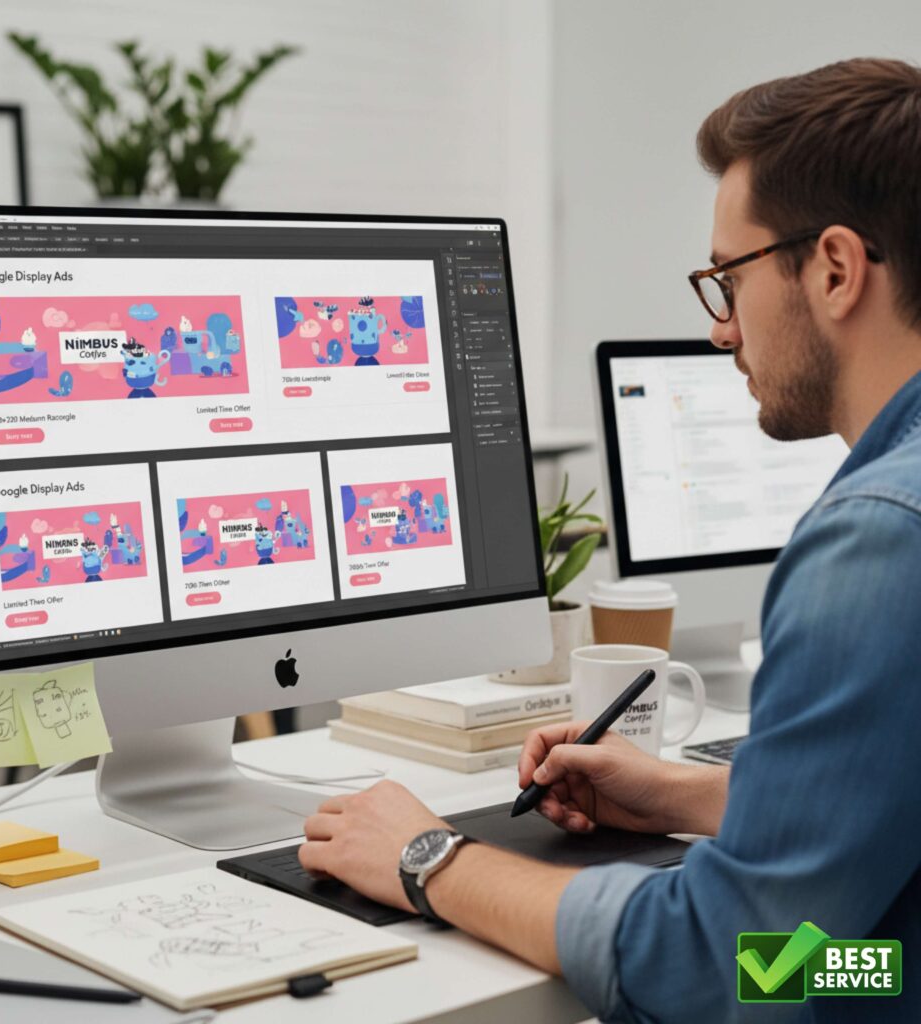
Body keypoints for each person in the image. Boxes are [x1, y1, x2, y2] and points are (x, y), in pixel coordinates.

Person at [298, 58, 921, 1022]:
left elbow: (739, 966)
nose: (722, 331)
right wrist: (689, 799)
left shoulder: (879, 543)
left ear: (835, 269)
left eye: (729, 279)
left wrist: (433, 859)